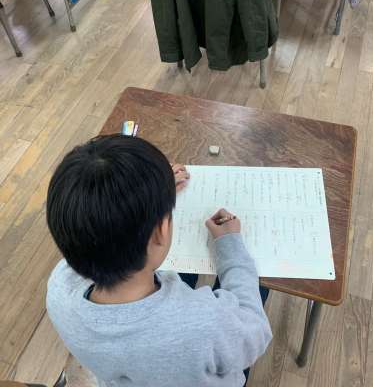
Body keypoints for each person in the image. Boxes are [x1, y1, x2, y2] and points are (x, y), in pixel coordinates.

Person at [46, 135, 272, 387]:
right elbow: (255, 332)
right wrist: (231, 248)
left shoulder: (59, 286)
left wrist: (149, 197)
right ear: (160, 231)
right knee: (258, 281)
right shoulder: (204, 324)